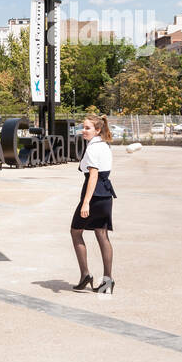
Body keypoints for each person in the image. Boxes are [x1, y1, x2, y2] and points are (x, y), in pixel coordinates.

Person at [70, 113, 117, 294]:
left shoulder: (92, 148)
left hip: (95, 195)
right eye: (83, 127)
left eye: (87, 128)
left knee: (75, 232)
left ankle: (85, 275)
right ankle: (107, 281)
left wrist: (86, 203)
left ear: (97, 130)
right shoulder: (104, 145)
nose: (83, 130)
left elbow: (94, 176)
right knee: (102, 235)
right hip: (106, 196)